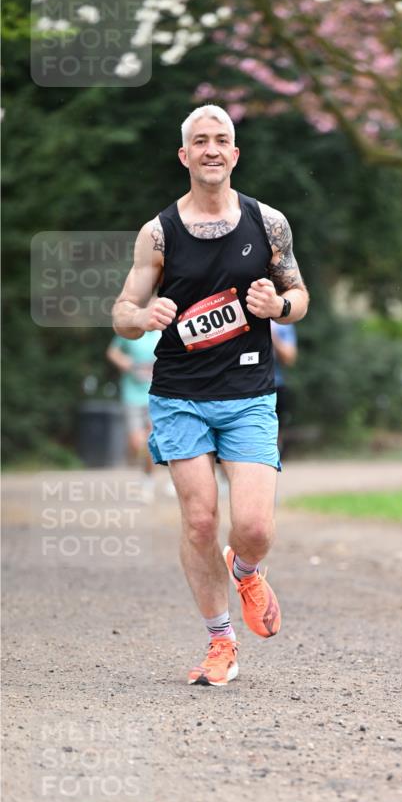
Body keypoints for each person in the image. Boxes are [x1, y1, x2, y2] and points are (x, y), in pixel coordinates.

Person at [111, 104, 309, 686]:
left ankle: (245, 567)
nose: (212, 150)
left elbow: (300, 296)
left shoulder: (269, 223)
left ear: (235, 153)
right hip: (179, 395)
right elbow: (121, 312)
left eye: (222, 140)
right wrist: (144, 315)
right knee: (200, 521)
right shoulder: (158, 232)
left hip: (249, 393)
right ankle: (220, 640)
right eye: (200, 141)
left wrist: (281, 307)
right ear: (184, 155)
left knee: (255, 528)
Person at [106, 330, 161, 499]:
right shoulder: (132, 330)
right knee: (137, 443)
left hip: (157, 395)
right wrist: (125, 362)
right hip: (132, 396)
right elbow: (112, 352)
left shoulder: (163, 333)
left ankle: (148, 480)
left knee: (152, 441)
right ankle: (145, 470)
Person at [270, 319, 298, 456]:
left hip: (274, 386)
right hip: (239, 386)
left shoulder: (282, 322)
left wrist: (272, 336)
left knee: (273, 437)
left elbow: (289, 358)